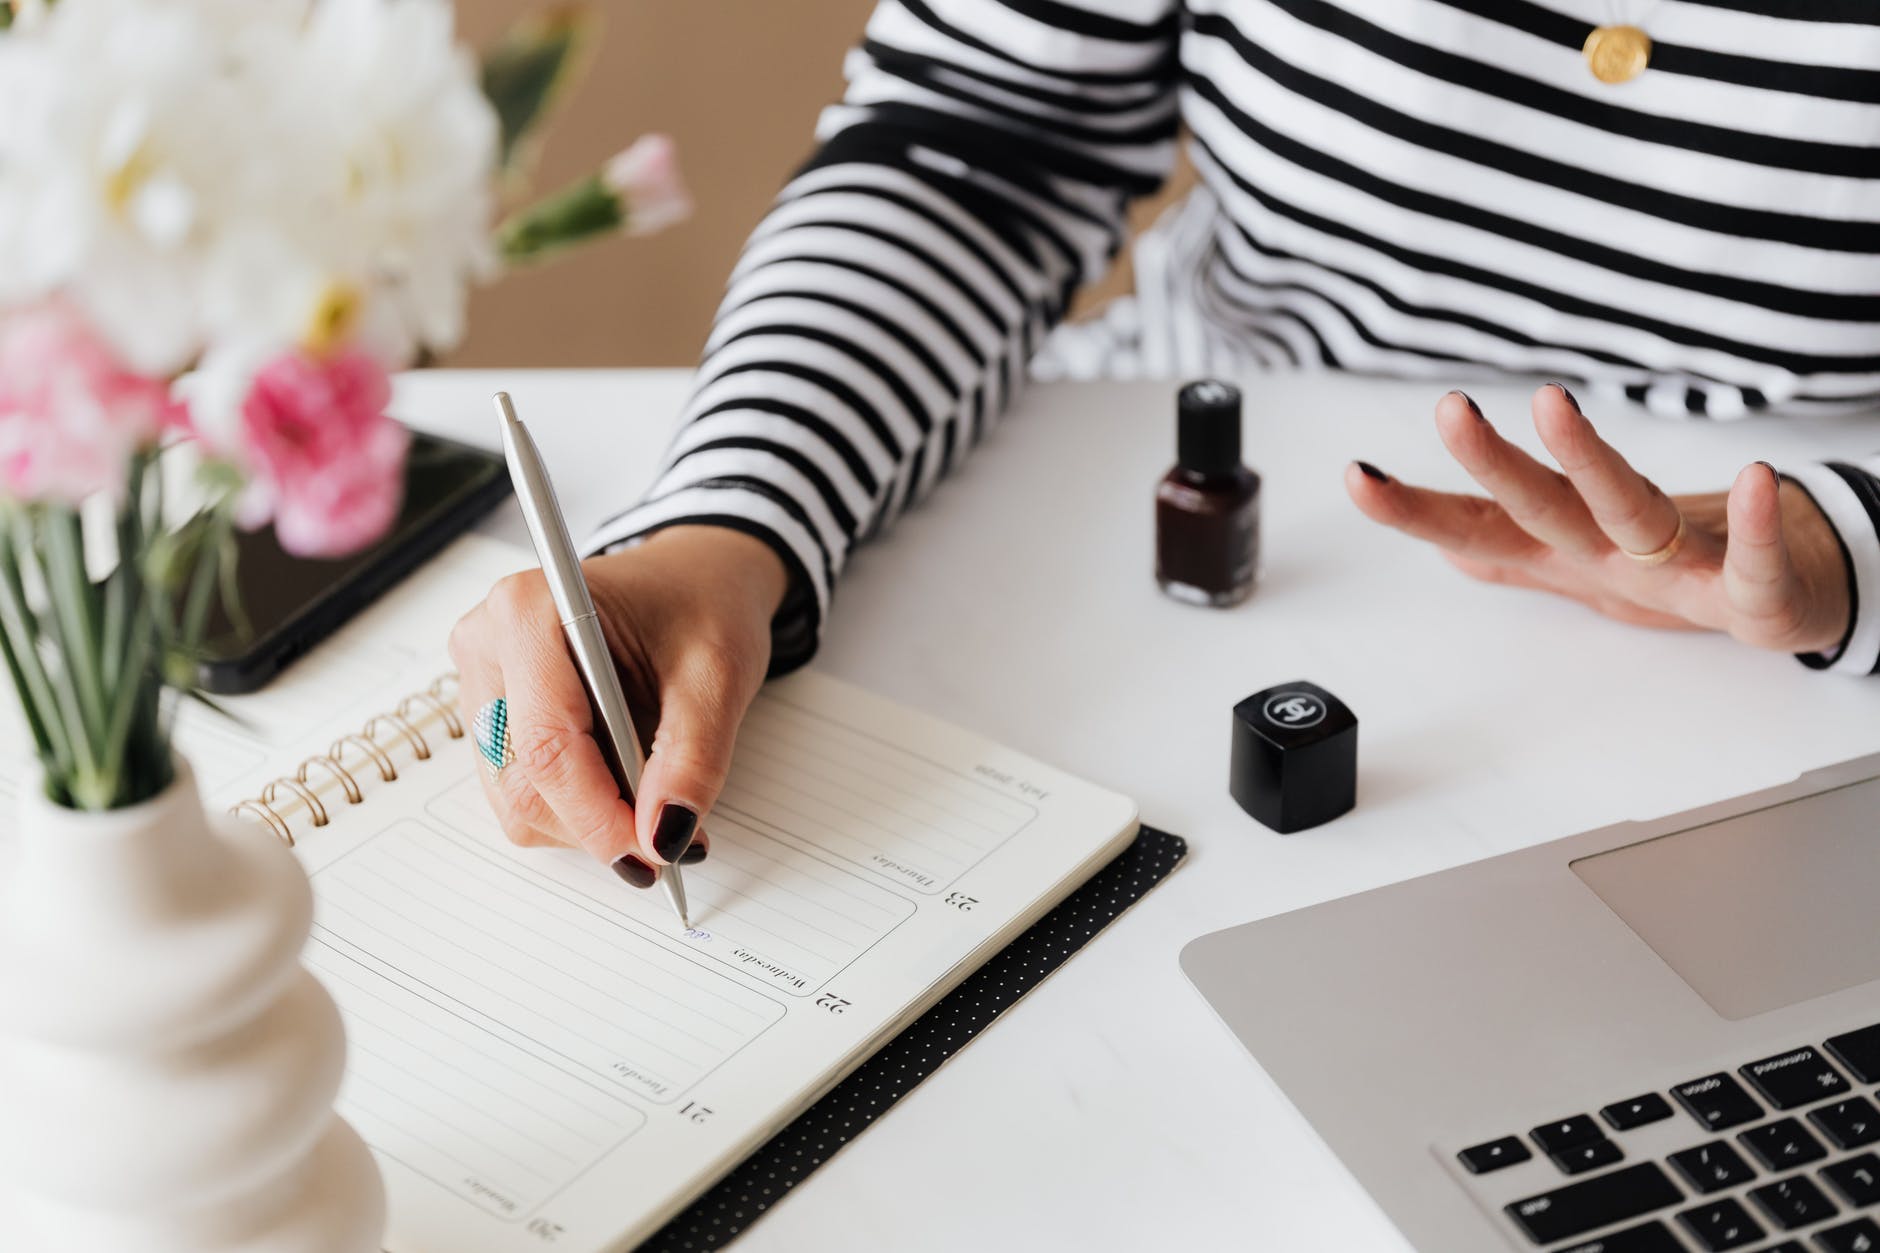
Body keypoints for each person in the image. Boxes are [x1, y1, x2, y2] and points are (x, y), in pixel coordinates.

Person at [449, 0, 1880, 885]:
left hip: (1799, 655)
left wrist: (1855, 540)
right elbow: (982, 143)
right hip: (1159, 499)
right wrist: (728, 520)